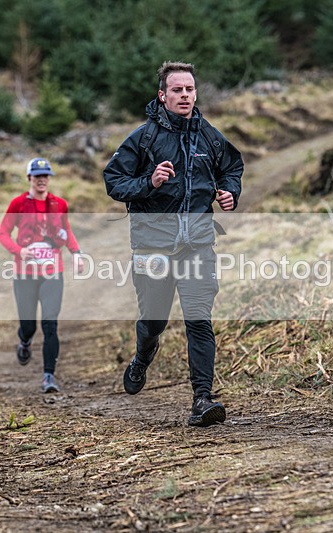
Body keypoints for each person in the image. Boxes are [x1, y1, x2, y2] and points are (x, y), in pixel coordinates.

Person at [103, 61, 244, 427]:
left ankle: (202, 399)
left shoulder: (210, 137)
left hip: (197, 244)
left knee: (199, 319)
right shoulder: (143, 139)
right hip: (152, 248)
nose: (185, 95)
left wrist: (230, 193)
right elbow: (114, 181)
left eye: (190, 89)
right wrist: (148, 182)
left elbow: (232, 167)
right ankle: (142, 357)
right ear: (163, 95)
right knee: (153, 320)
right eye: (178, 90)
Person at [0, 157, 84, 393]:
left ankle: (49, 376)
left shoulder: (59, 204)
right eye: (37, 176)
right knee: (29, 326)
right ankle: (24, 341)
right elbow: (3, 233)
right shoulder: (18, 204)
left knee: (50, 324)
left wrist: (76, 253)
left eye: (45, 176)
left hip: (52, 273)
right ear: (29, 179)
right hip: (25, 274)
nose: (41, 180)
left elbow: (66, 231)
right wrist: (19, 251)